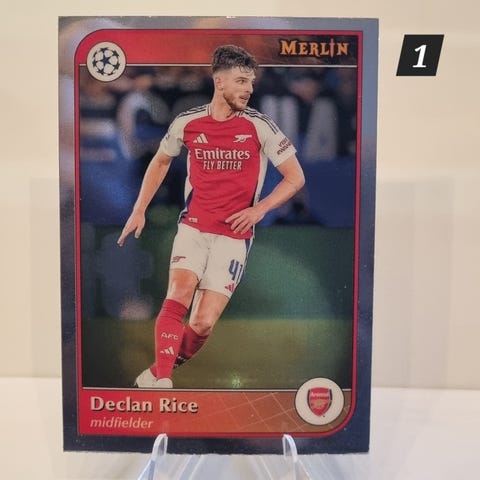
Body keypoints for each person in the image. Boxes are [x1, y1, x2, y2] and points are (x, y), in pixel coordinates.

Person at [117, 45, 305, 388]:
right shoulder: (188, 122)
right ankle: (162, 380)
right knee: (180, 291)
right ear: (219, 82)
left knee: (202, 323)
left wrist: (259, 209)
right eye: (241, 81)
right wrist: (139, 209)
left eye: (251, 82)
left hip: (234, 237)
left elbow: (296, 177)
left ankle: (158, 371)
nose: (249, 89)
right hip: (194, 227)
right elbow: (161, 160)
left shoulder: (260, 126)